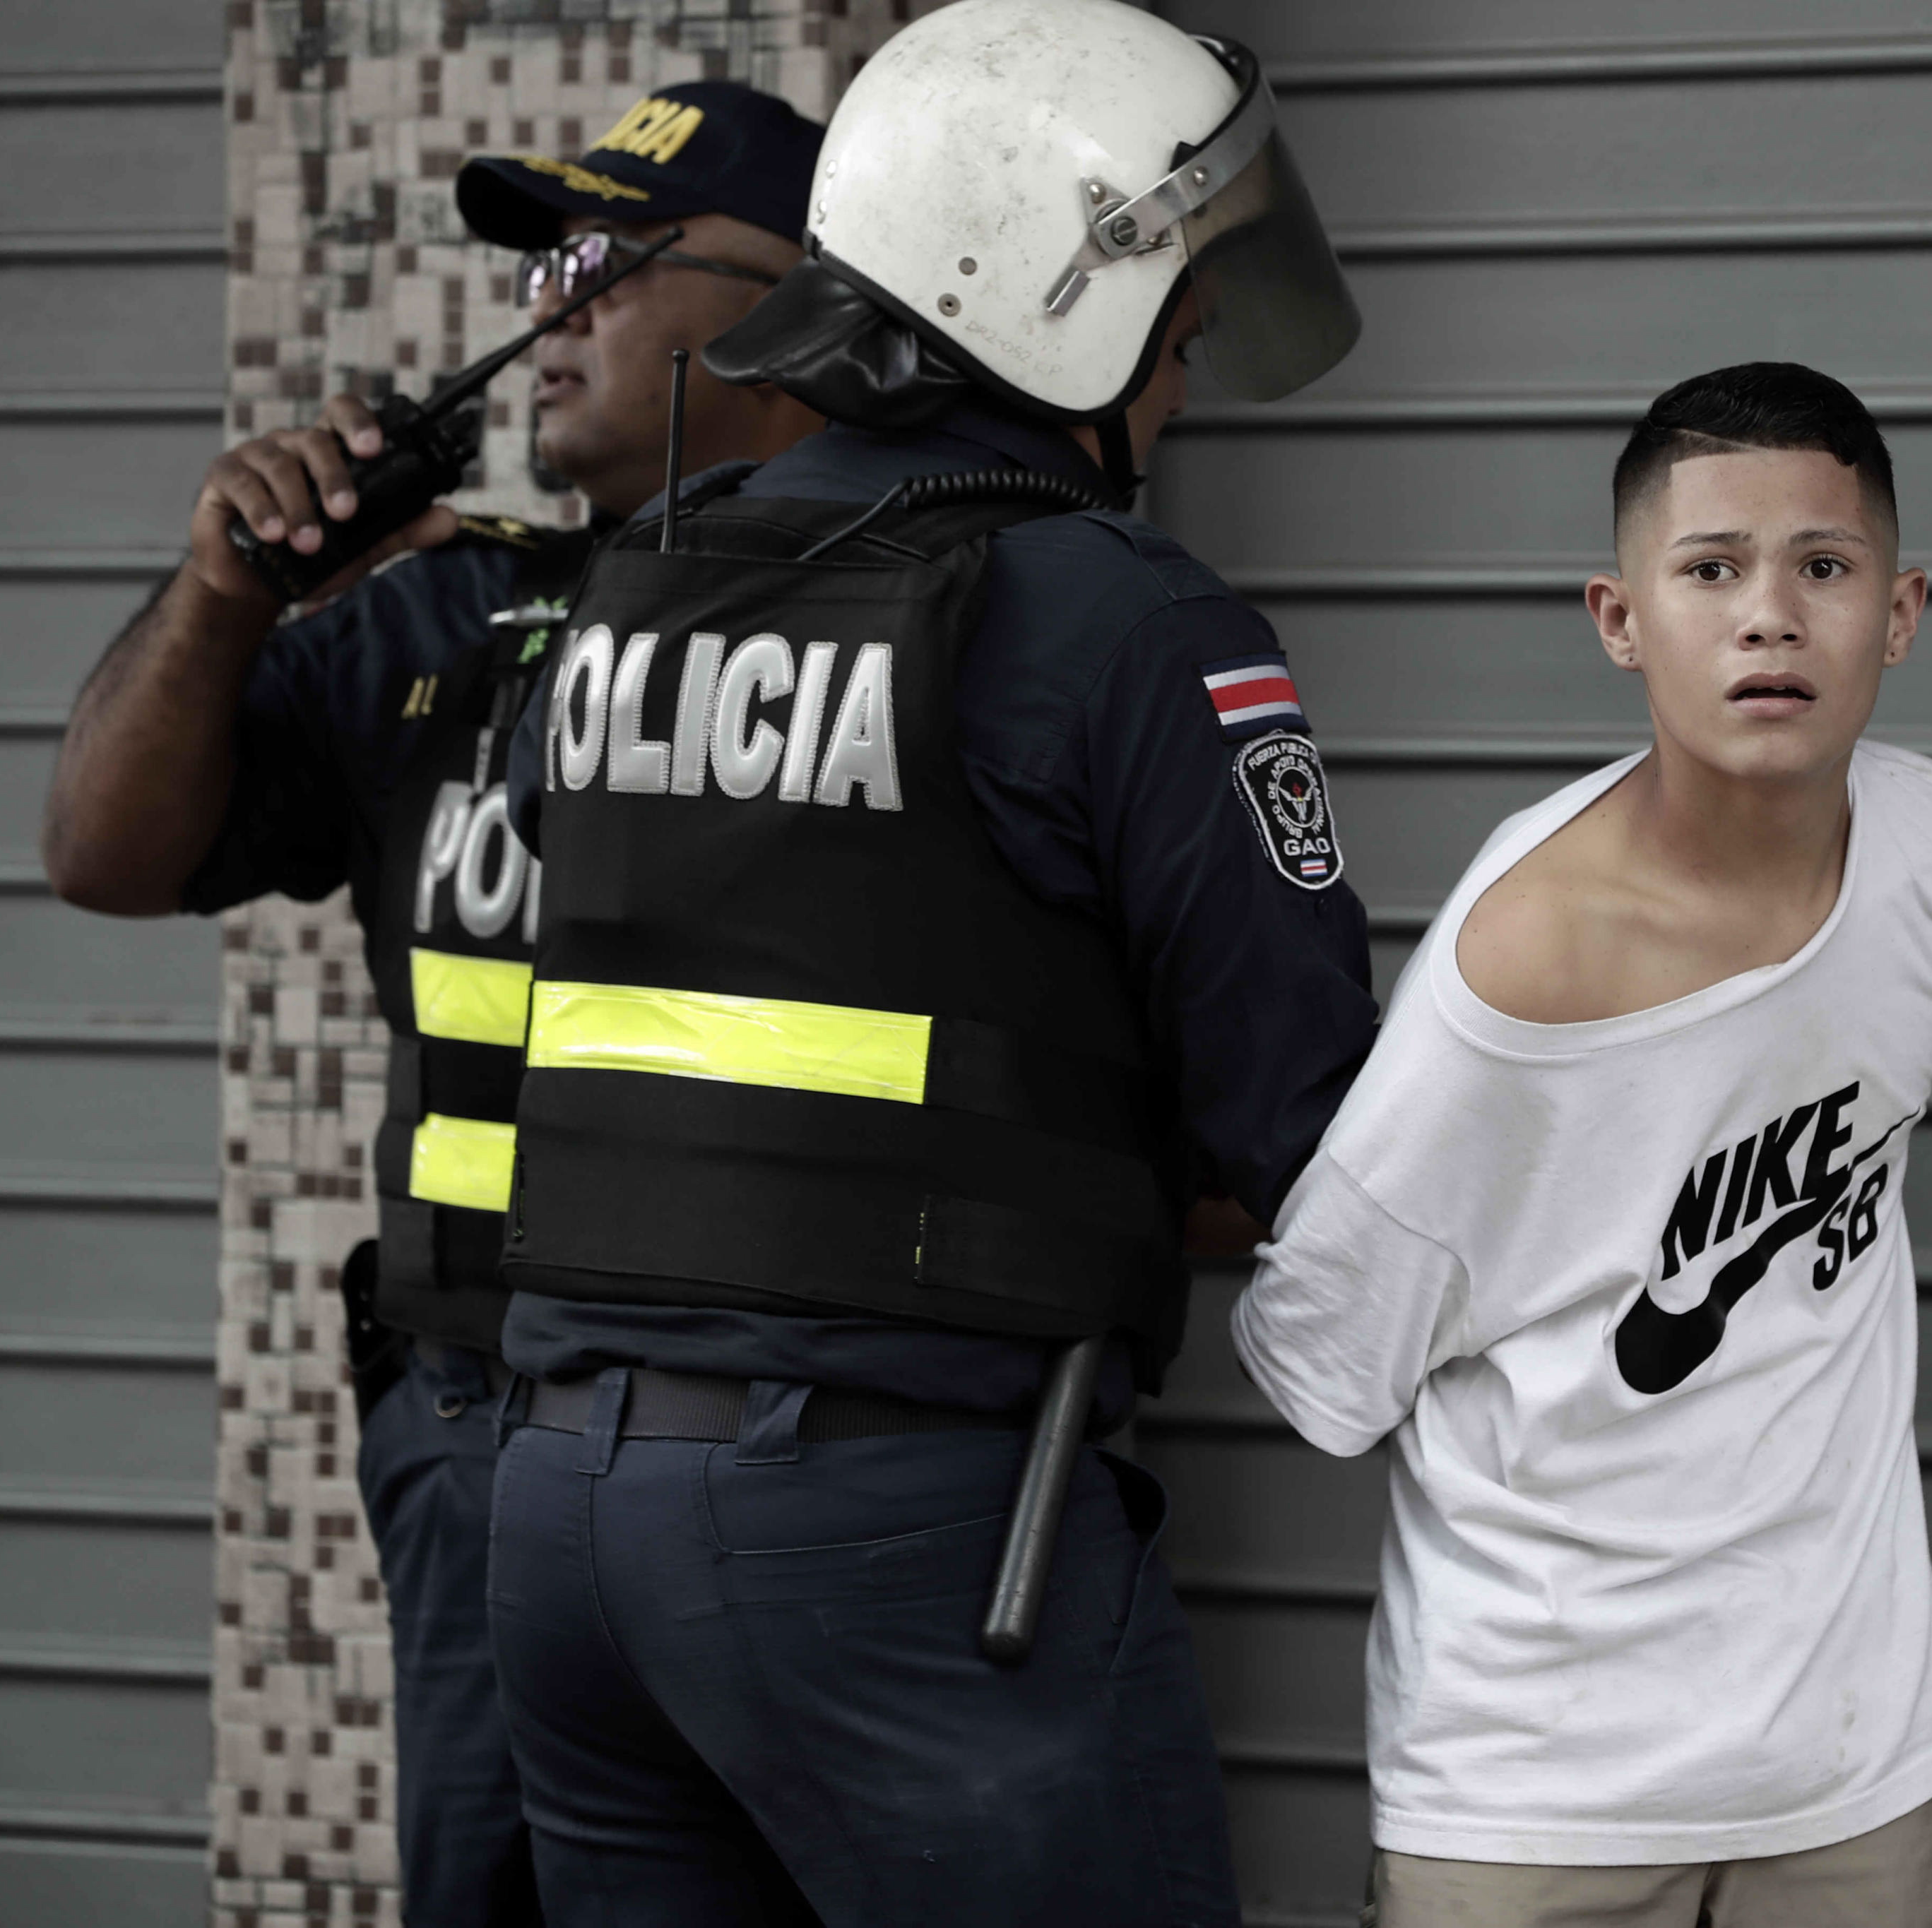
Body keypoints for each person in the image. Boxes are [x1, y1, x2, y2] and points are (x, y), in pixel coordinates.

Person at [478, 4, 1377, 1922]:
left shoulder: (634, 584)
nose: (1186, 382)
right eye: (1180, 325)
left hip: (559, 1518)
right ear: (1046, 287)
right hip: (888, 1540)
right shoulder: (1134, 626)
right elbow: (1310, 1125)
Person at [40, 81, 826, 1926]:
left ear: (802, 309)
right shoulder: (445, 623)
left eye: (610, 263)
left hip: (794, 1456)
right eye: (544, 264)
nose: (553, 308)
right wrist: (230, 596)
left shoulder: (914, 613)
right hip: (481, 1434)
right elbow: (104, 851)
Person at [1234, 363, 1932, 1928]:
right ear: (1619, 619)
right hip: (1534, 1791)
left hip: (1854, 1767)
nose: (1768, 616)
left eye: (1822, 566)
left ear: (1900, 609)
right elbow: (1322, 1359)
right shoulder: (1516, 965)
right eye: (1709, 570)